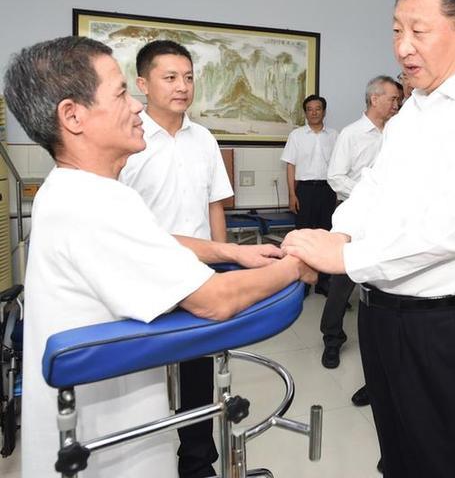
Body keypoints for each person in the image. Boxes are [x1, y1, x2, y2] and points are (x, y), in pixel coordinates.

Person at [4, 36, 316, 478]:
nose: (134, 107)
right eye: (120, 94)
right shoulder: (99, 202)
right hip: (106, 445)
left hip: (101, 418)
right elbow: (215, 301)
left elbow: (156, 241)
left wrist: (229, 251)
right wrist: (296, 266)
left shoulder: (71, 189)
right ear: (72, 115)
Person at [282, 0, 455, 478]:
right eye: (397, 31)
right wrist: (335, 232)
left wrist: (345, 256)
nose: (402, 47)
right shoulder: (414, 113)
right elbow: (376, 189)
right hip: (385, 318)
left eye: (418, 31)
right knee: (398, 457)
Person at [119, 40, 233, 478]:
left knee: (198, 373)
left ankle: (197, 460)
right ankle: (143, 462)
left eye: (188, 77)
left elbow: (214, 206)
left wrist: (223, 268)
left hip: (197, 275)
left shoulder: (203, 138)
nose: (182, 86)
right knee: (142, 378)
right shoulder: (128, 139)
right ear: (143, 83)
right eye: (170, 77)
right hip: (142, 276)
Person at [320, 76, 399, 377]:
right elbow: (335, 177)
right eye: (392, 98)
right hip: (353, 213)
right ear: (374, 98)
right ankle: (332, 337)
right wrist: (369, 196)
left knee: (382, 279)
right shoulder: (351, 135)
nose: (396, 104)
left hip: (389, 217)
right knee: (342, 281)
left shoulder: (397, 132)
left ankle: (383, 346)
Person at [281, 94, 338, 295]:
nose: (314, 112)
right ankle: (302, 283)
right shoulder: (296, 136)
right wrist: (292, 195)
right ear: (305, 113)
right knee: (303, 238)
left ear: (324, 111)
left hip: (328, 190)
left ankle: (324, 282)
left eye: (318, 108)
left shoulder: (335, 135)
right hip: (304, 190)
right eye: (310, 109)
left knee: (326, 236)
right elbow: (290, 166)